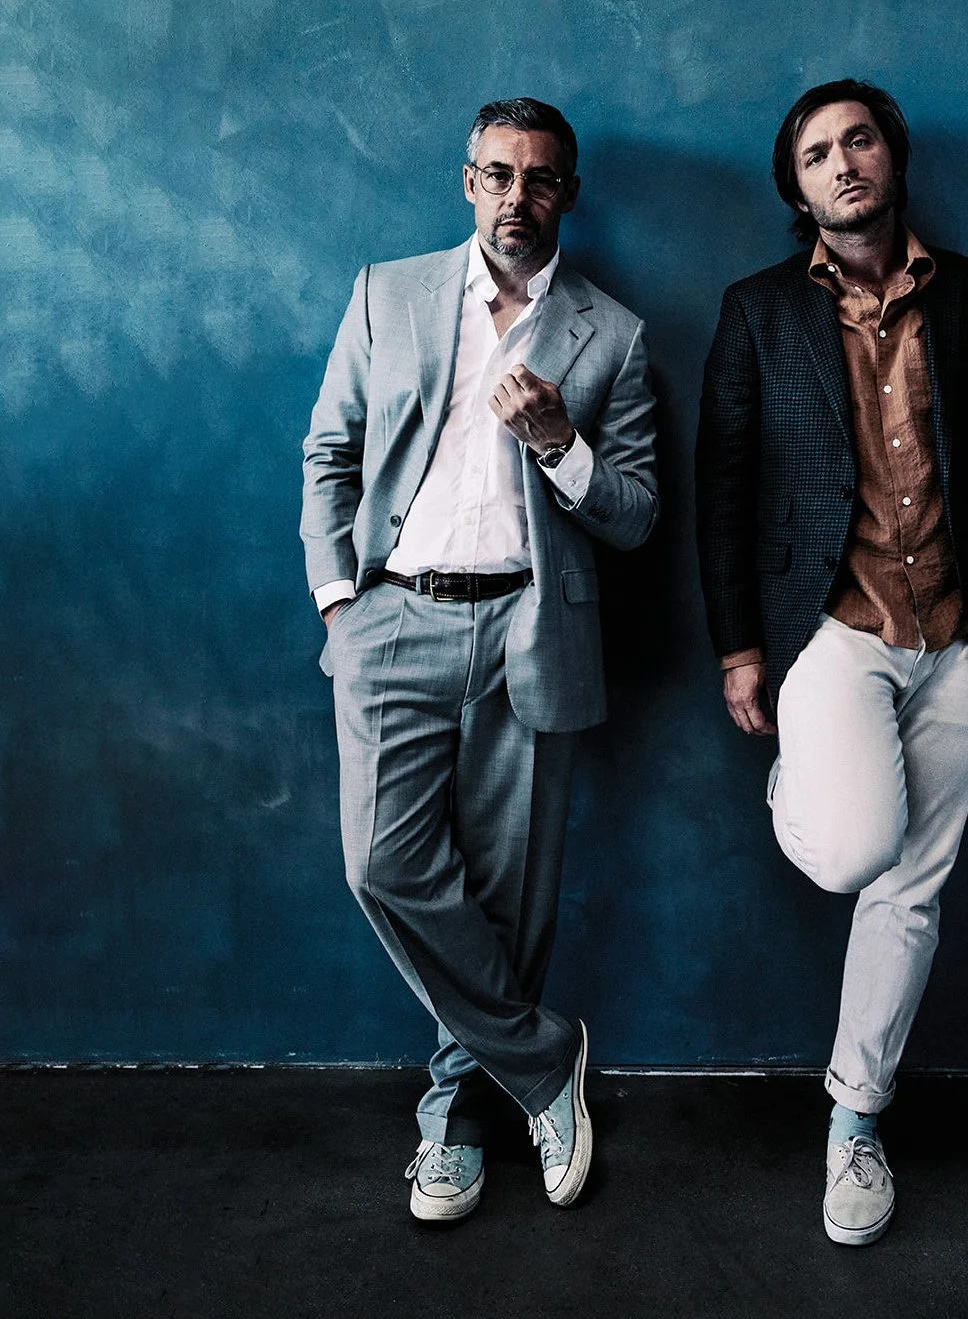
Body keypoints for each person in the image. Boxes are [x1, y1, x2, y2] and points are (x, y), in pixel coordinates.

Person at [695, 79, 968, 1245]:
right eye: (815, 154)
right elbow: (721, 485)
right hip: (829, 624)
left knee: (912, 887)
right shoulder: (757, 310)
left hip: (955, 625)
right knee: (857, 849)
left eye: (857, 141)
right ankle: (797, 781)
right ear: (795, 187)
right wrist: (738, 644)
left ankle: (855, 1115)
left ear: (892, 157)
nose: (841, 164)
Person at [301, 97, 658, 1222]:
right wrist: (339, 603)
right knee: (382, 865)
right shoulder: (387, 292)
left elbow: (637, 513)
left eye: (541, 178)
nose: (518, 196)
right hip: (392, 619)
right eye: (499, 174)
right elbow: (330, 451)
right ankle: (547, 1062)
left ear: (569, 195)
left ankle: (452, 1117)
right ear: (468, 183)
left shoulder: (613, 334)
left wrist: (560, 442)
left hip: (529, 627)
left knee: (509, 900)